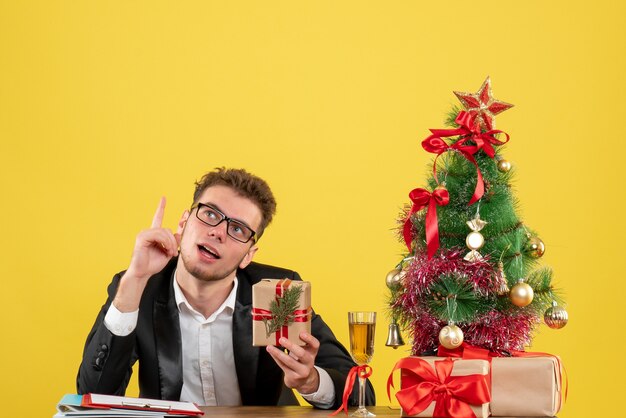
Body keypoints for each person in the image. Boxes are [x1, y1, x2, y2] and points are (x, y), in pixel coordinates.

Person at [77, 167, 375, 409]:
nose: (218, 231)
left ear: (248, 255)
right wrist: (135, 279)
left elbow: (362, 393)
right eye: (209, 213)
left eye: (238, 229)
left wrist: (310, 382)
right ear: (183, 222)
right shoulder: (140, 286)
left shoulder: (277, 295)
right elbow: (93, 393)